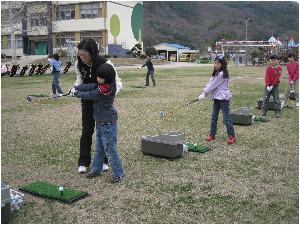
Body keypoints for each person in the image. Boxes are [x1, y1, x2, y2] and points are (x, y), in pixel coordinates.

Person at [70, 38, 122, 174]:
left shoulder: (105, 63)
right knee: (87, 130)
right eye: (79, 55)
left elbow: (117, 82)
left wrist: (106, 94)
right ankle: (83, 162)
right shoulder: (79, 63)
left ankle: (104, 161)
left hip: (103, 104)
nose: (81, 58)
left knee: (103, 132)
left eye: (84, 55)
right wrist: (75, 88)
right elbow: (80, 80)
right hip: (87, 101)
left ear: (93, 53)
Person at [74, 63, 125, 183]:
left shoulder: (105, 90)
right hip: (101, 123)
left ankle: (119, 173)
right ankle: (96, 169)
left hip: (108, 125)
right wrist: (77, 87)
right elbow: (91, 86)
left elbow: (91, 94)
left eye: (100, 77)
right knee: (99, 149)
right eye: (97, 76)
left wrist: (76, 94)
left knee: (110, 151)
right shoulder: (101, 85)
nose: (98, 79)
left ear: (107, 78)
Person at [198, 56, 236, 144]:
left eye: (218, 63)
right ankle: (212, 134)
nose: (215, 65)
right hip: (216, 98)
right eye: (215, 62)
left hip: (223, 99)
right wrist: (204, 93)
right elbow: (210, 83)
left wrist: (205, 93)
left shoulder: (222, 74)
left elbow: (213, 85)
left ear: (222, 65)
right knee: (214, 117)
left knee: (226, 118)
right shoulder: (216, 74)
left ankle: (231, 136)